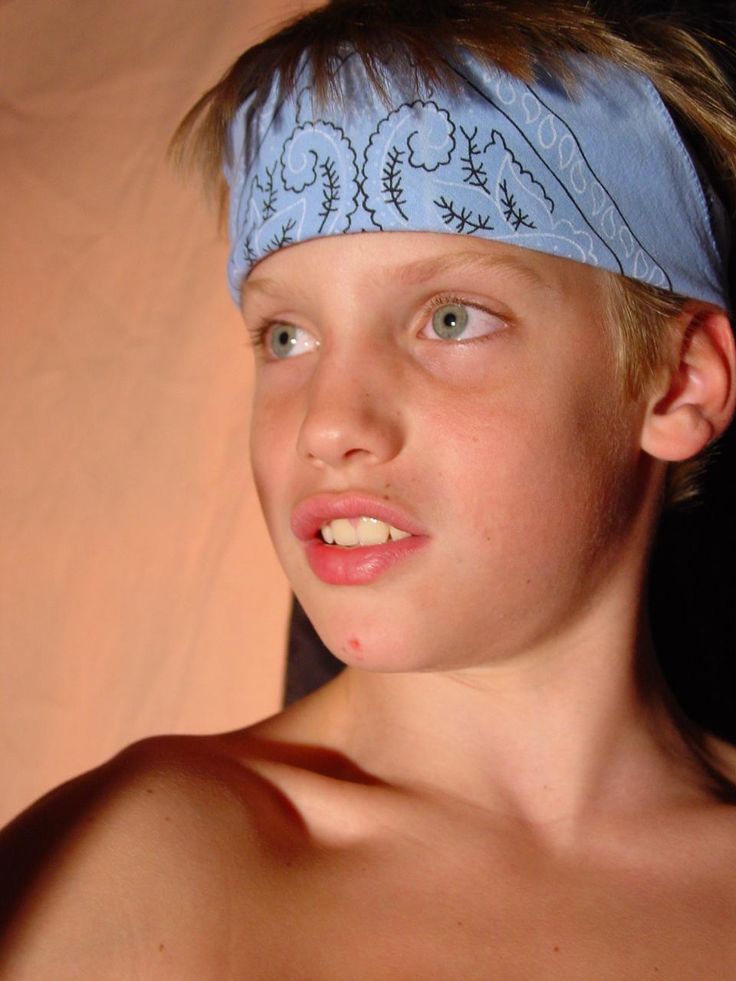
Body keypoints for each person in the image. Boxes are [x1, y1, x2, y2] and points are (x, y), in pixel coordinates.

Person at [2, 0, 736, 975]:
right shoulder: (131, 869)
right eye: (286, 337)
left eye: (448, 320)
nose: (329, 423)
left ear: (677, 379)